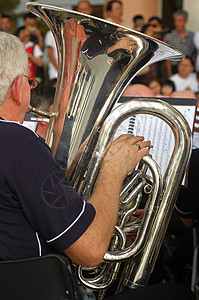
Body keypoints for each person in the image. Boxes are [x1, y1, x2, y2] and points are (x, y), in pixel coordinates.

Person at [0, 31, 194, 300]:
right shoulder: (20, 143)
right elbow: (90, 251)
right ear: (18, 87)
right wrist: (113, 168)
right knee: (177, 294)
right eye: (31, 84)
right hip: (32, 290)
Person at [163, 9, 196, 78]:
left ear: (185, 21)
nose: (177, 23)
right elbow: (166, 56)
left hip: (188, 68)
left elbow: (195, 55)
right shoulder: (169, 36)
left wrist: (193, 69)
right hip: (174, 67)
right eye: (175, 21)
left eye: (180, 20)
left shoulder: (192, 36)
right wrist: (169, 72)